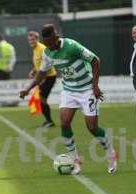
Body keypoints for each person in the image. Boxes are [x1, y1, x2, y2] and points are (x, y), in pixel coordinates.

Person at [19, 24, 117, 174]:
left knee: (92, 127)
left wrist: (95, 86)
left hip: (87, 90)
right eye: (45, 44)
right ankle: (75, 161)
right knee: (64, 123)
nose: (48, 46)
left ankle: (111, 154)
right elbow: (42, 73)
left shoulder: (72, 46)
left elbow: (95, 60)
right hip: (69, 91)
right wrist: (28, 88)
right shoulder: (47, 52)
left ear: (56, 38)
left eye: (50, 43)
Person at [27, 30, 56, 128]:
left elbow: (49, 64)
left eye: (33, 39)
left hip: (49, 77)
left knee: (42, 98)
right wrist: (34, 70)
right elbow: (39, 64)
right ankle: (48, 120)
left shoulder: (42, 48)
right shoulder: (35, 49)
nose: (31, 41)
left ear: (37, 39)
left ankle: (50, 121)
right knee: (41, 99)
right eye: (29, 40)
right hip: (43, 77)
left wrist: (42, 78)